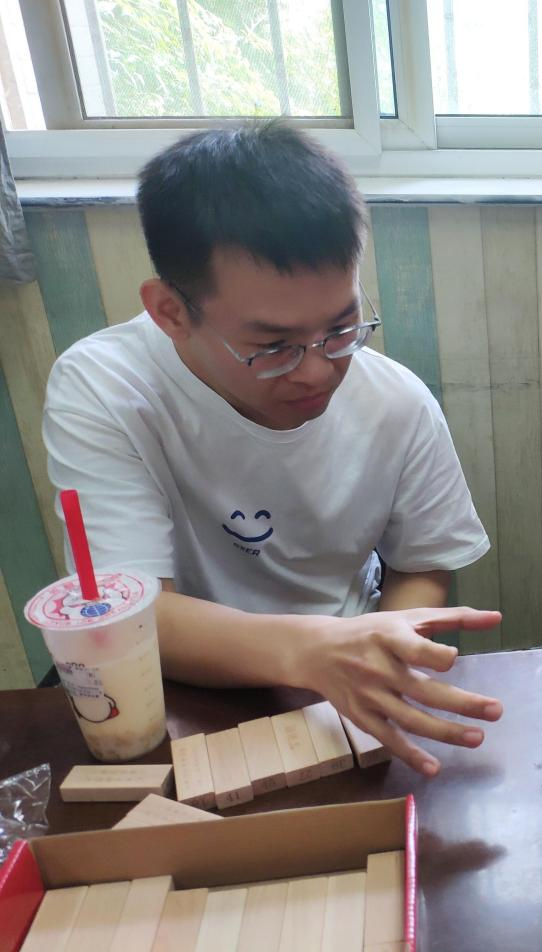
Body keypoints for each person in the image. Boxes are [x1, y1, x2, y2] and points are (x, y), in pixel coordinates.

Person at [42, 121, 500, 776]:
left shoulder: (394, 402)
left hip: (343, 691)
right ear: (171, 312)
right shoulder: (106, 390)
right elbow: (132, 614)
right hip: (180, 695)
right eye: (272, 346)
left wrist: (386, 654)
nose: (317, 370)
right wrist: (311, 649)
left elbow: (422, 565)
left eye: (342, 326)